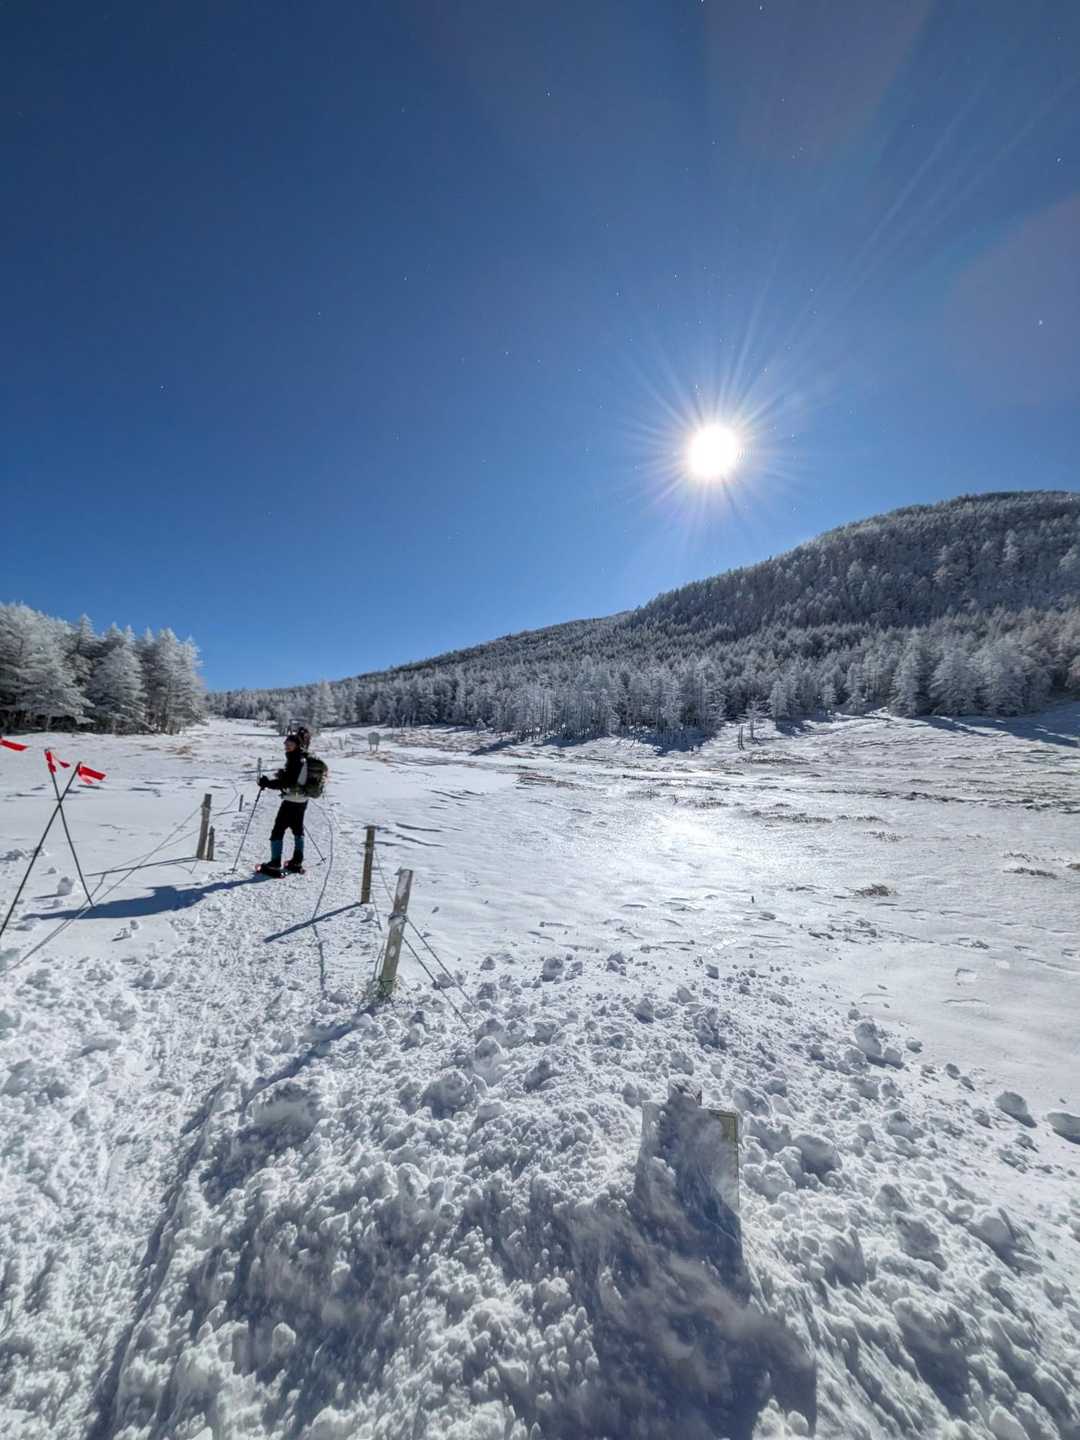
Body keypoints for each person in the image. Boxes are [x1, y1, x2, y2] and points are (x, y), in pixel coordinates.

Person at [256, 727, 311, 876]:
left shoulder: (295, 759)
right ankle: (296, 862)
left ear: (296, 745)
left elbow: (287, 782)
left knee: (278, 830)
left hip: (292, 800)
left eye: (289, 744)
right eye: (285, 743)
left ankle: (274, 864)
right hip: (303, 799)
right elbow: (293, 779)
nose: (286, 746)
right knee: (298, 829)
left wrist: (267, 783)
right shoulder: (303, 757)